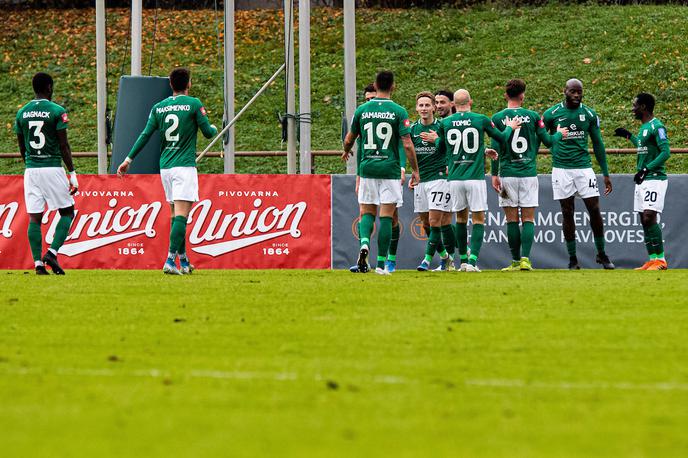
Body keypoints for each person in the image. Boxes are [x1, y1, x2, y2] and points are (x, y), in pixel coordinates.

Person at [117, 67, 217, 275]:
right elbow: (208, 133)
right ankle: (170, 261)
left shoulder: (159, 107)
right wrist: (215, 128)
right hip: (184, 167)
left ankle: (184, 260)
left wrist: (128, 159)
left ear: (171, 85)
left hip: (166, 168)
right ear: (188, 84)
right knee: (182, 216)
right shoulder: (193, 104)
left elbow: (145, 134)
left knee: (174, 215)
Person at [342, 70, 420, 275]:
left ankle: (364, 243)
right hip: (390, 168)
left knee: (366, 212)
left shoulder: (362, 110)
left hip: (367, 168)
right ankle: (380, 265)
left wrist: (346, 150)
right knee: (387, 216)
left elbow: (350, 138)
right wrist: (415, 170)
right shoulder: (399, 111)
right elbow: (408, 145)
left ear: (375, 86)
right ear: (393, 86)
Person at [437, 89, 520, 272]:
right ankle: (473, 262)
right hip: (474, 177)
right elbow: (502, 138)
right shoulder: (480, 119)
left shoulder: (446, 122)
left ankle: (463, 261)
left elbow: (441, 148)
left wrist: (437, 140)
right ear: (471, 102)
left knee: (460, 219)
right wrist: (510, 127)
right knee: (478, 220)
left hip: (455, 178)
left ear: (453, 105)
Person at [491, 79, 567, 271]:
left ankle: (515, 261)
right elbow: (549, 141)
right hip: (528, 174)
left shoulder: (498, 117)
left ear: (506, 95)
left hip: (507, 173)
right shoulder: (533, 116)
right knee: (528, 218)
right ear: (522, 95)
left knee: (511, 220)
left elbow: (495, 148)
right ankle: (525, 259)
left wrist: (494, 174)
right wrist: (559, 133)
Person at [542, 79, 615, 270]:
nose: (576, 95)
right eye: (573, 91)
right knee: (567, 212)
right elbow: (544, 139)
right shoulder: (551, 114)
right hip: (561, 169)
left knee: (594, 209)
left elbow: (598, 144)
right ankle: (573, 258)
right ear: (564, 91)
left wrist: (605, 172)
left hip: (584, 168)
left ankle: (602, 254)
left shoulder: (589, 114)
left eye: (579, 92)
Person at [15, 72, 79, 275]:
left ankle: (37, 264)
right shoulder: (57, 111)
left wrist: (31, 165)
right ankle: (51, 252)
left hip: (31, 169)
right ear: (49, 87)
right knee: (67, 211)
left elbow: (22, 147)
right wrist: (73, 172)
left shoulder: (22, 113)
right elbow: (63, 145)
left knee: (35, 217)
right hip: (51, 167)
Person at [350, 83, 406, 273]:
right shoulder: (382, 112)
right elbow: (360, 149)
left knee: (386, 217)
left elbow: (400, 144)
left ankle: (389, 258)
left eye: (372, 98)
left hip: (380, 169)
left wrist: (403, 167)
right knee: (384, 215)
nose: (370, 102)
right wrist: (358, 175)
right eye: (366, 99)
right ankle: (376, 262)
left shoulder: (368, 112)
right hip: (381, 170)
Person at [614, 93, 670, 270]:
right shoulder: (644, 127)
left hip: (655, 179)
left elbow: (665, 152)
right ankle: (652, 259)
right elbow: (643, 145)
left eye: (635, 105)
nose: (633, 108)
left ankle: (661, 261)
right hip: (643, 179)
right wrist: (629, 136)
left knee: (649, 216)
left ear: (644, 107)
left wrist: (647, 168)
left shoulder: (657, 126)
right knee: (643, 219)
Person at [410, 91, 455, 272]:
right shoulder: (412, 130)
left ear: (434, 108)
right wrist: (413, 172)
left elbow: (453, 148)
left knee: (435, 221)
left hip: (439, 178)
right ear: (416, 108)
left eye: (427, 105)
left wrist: (437, 140)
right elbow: (408, 152)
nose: (424, 108)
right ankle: (445, 257)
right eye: (421, 105)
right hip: (421, 180)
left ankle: (426, 260)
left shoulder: (442, 126)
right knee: (426, 224)